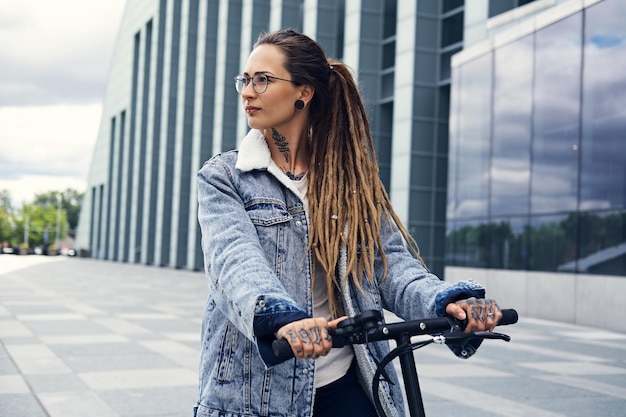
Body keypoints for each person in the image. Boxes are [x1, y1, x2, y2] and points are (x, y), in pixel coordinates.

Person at [195, 28, 501, 417]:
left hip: (346, 380)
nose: (247, 92)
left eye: (263, 80)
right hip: (253, 393)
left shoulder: (347, 180)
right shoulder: (224, 177)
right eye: (246, 79)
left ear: (304, 92)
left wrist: (450, 303)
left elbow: (393, 267)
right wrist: (281, 318)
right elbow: (234, 261)